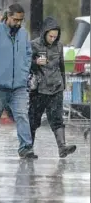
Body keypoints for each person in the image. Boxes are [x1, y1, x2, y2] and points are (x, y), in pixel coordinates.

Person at [0, 3, 37, 159]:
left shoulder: (23, 34)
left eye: (21, 20)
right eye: (16, 19)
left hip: (19, 86)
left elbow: (27, 54)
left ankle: (26, 148)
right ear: (7, 17)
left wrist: (24, 72)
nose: (18, 23)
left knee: (22, 115)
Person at [28, 16, 76, 158]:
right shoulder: (34, 45)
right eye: (50, 36)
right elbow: (26, 63)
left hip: (56, 88)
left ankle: (62, 147)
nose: (53, 39)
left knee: (57, 119)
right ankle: (28, 148)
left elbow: (61, 66)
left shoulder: (59, 46)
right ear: (44, 33)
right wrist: (36, 62)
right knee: (33, 119)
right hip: (39, 89)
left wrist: (64, 83)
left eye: (55, 36)